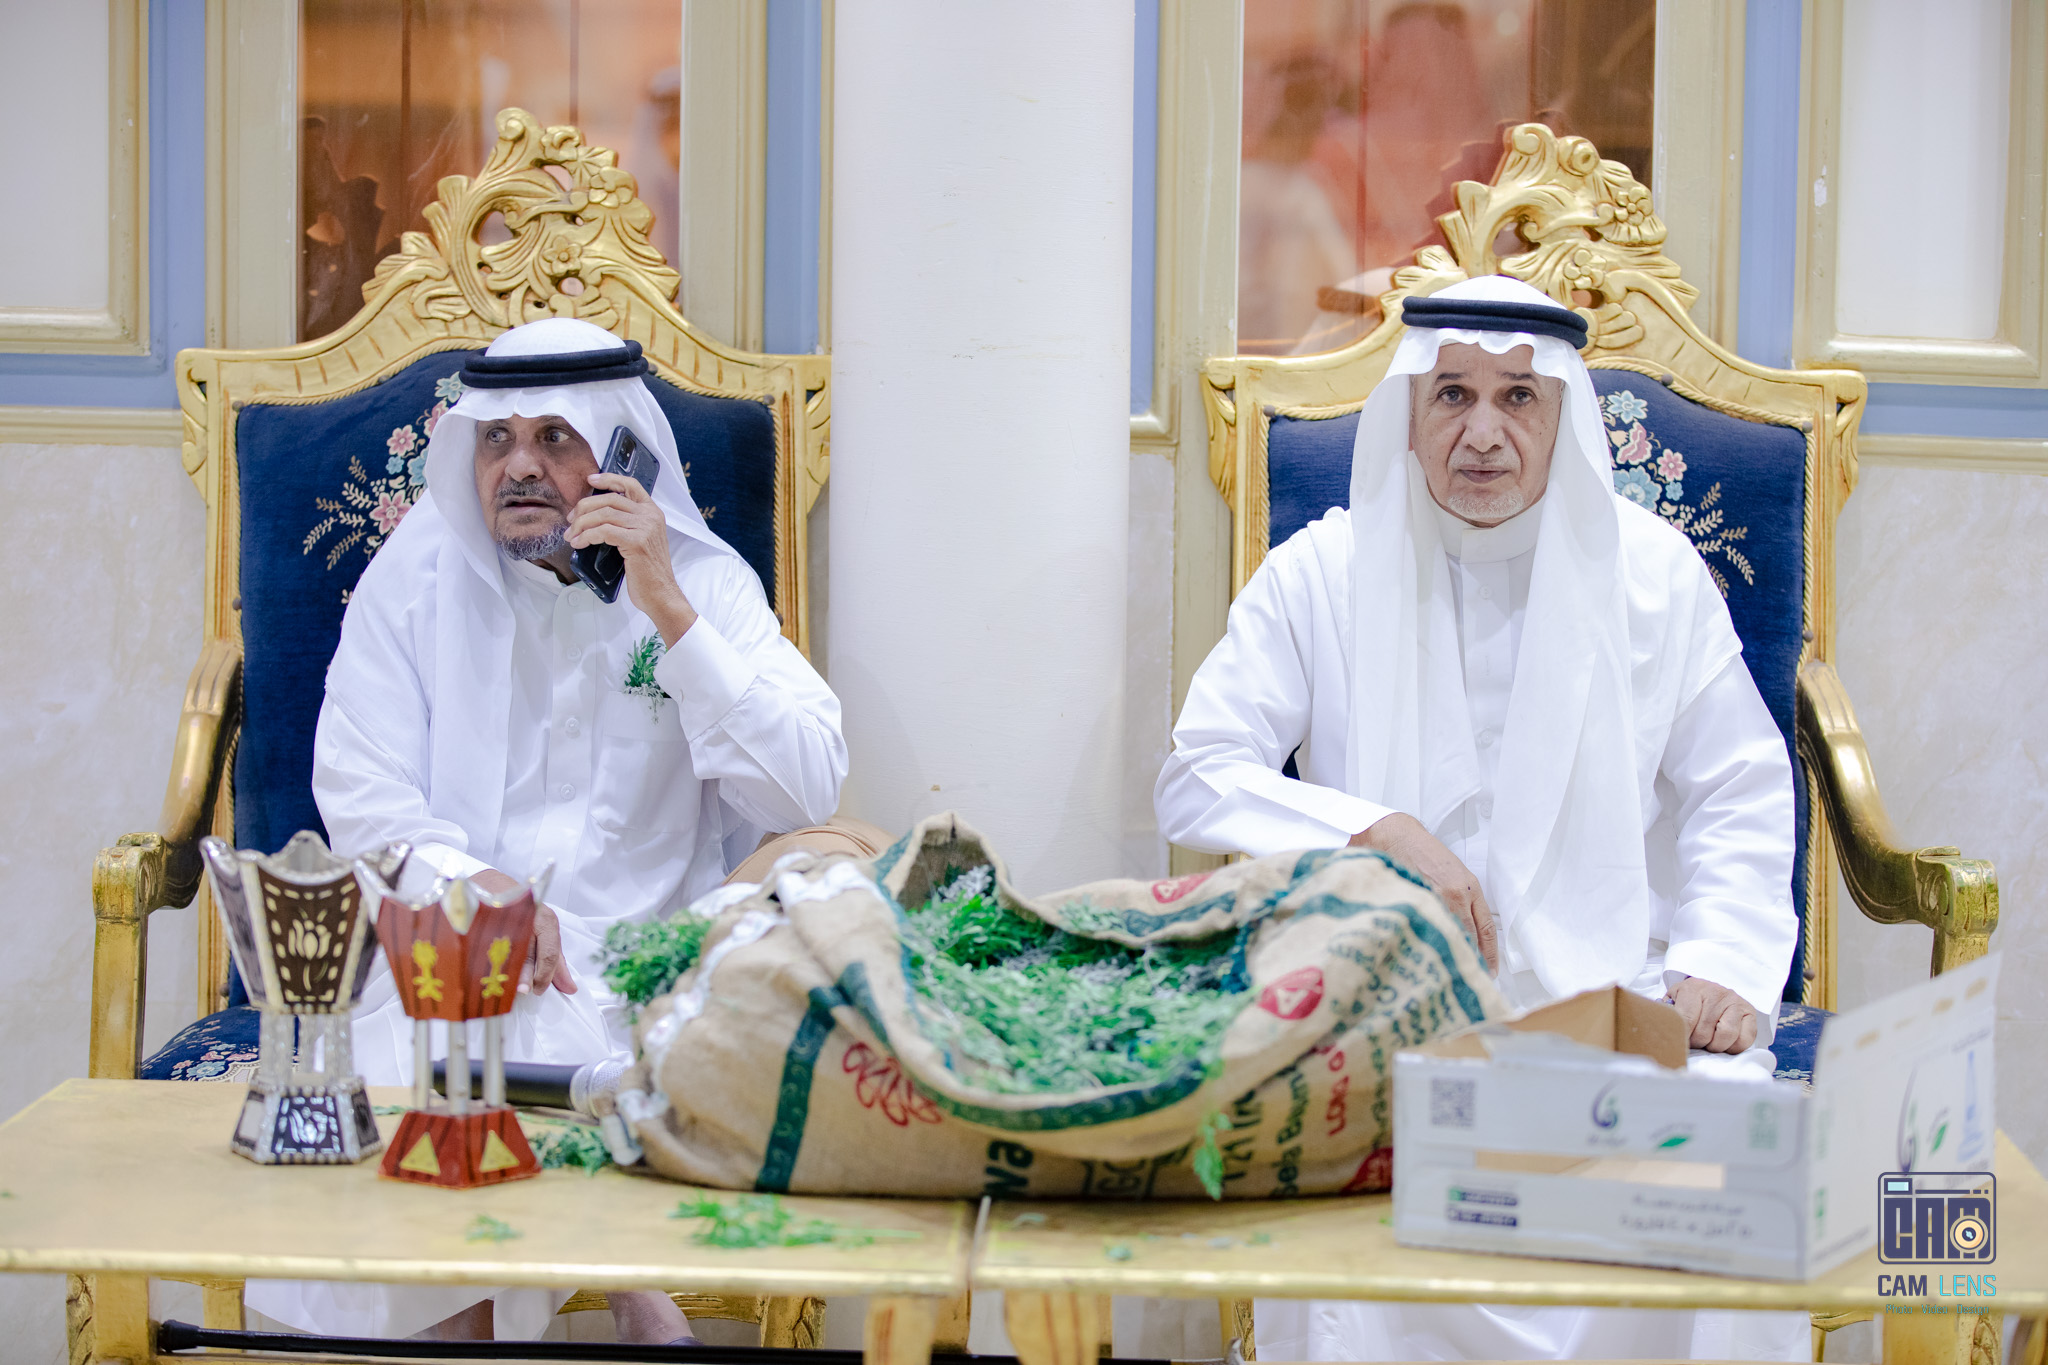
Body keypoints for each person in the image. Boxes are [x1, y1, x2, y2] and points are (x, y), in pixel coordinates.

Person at [1154, 275, 1807, 1360]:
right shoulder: (1321, 574)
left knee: (1722, 1146)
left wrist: (1721, 962)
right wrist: (1369, 830)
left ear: (1562, 415)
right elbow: (1195, 774)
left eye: (1518, 397)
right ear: (1408, 411)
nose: (1484, 433)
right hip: (1392, 1003)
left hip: (1616, 998)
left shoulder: (1653, 576)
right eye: (1453, 394)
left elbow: (1736, 786)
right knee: (1367, 1163)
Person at [246, 318, 849, 1344]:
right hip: (456, 957)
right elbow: (362, 789)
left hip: (648, 971)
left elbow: (807, 788)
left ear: (619, 454)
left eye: (554, 439)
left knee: (834, 867)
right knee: (479, 1008)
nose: (519, 465)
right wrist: (472, 885)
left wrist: (667, 608)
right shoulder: (415, 580)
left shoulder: (698, 584)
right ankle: (623, 1295)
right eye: (498, 438)